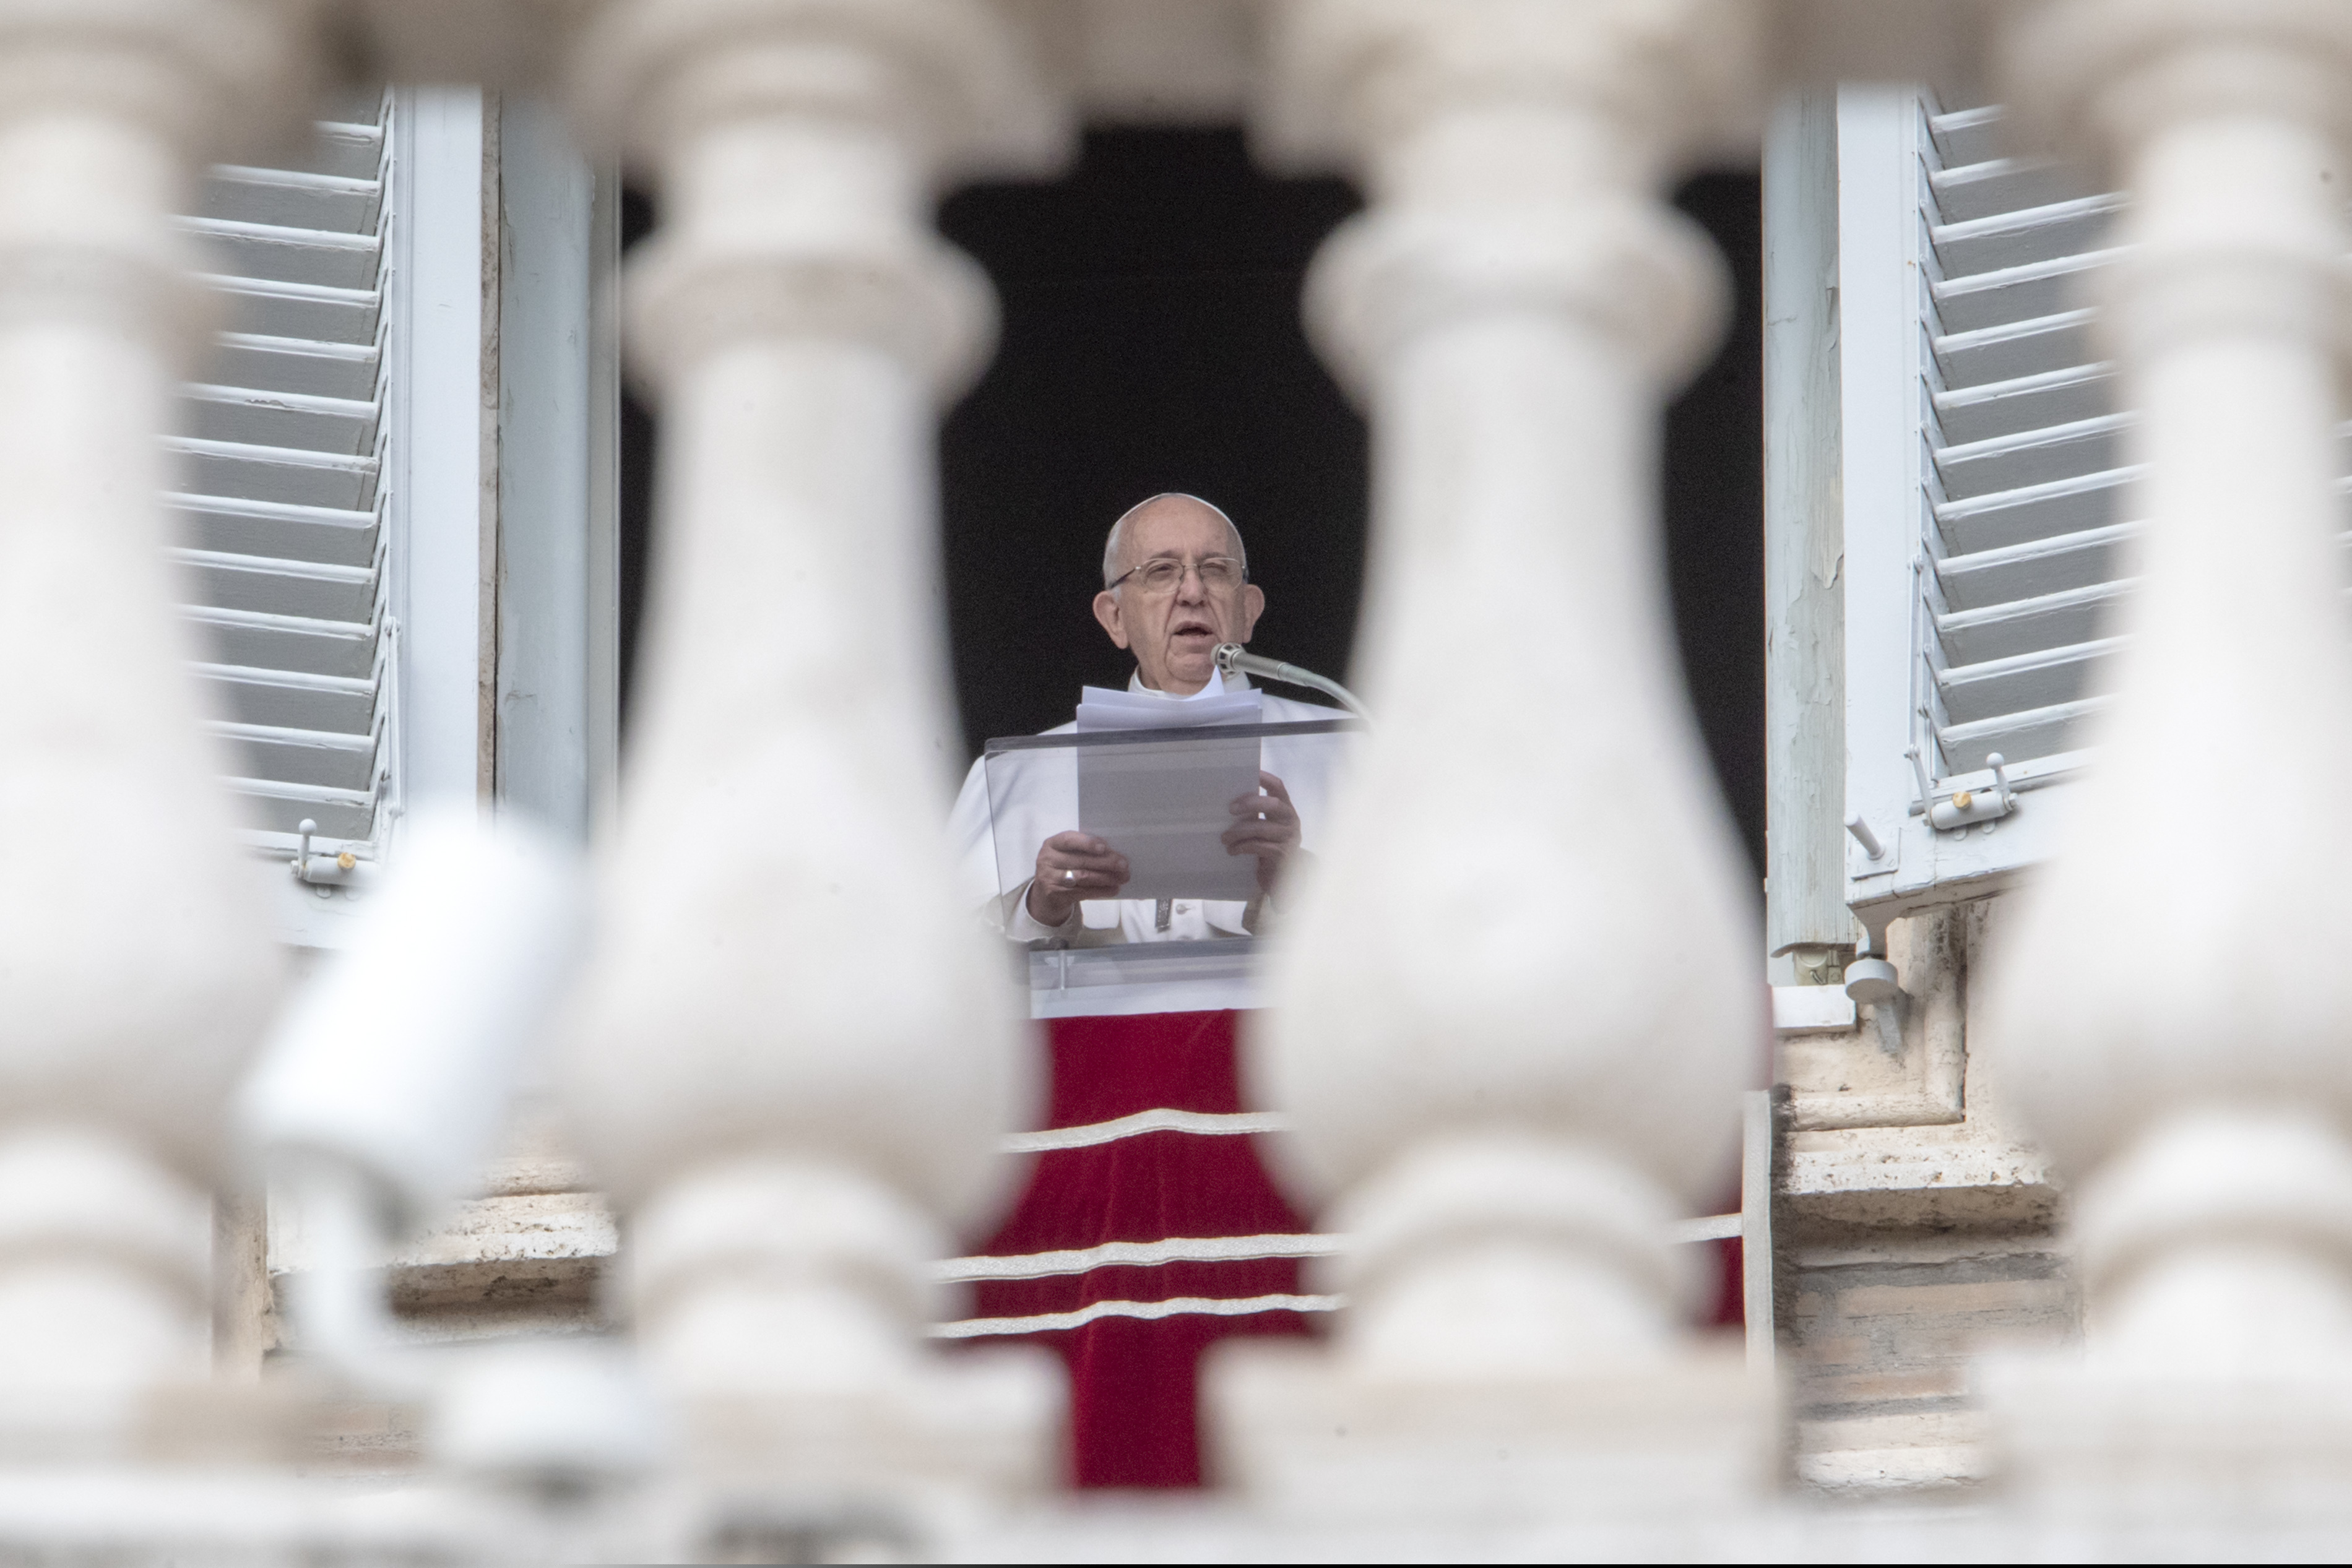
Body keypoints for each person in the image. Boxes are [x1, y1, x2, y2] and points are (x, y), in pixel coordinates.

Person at [949, 492, 1343, 943]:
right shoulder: (1017, 772)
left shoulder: (1341, 750)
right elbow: (943, 960)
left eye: (1215, 569)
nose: (1193, 593)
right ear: (1114, 617)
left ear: (1249, 610)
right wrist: (1042, 905)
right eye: (1161, 572)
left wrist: (1298, 886)